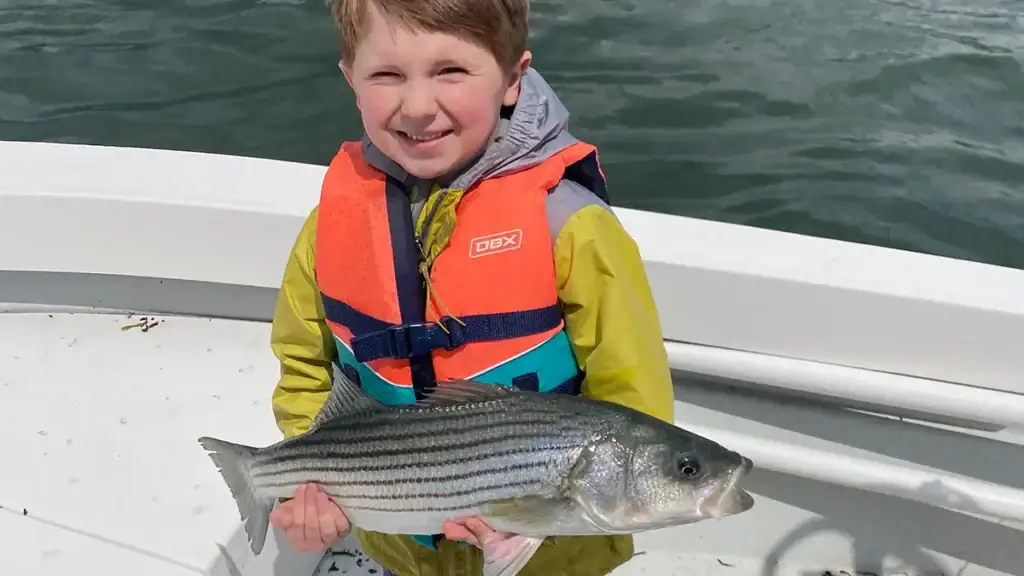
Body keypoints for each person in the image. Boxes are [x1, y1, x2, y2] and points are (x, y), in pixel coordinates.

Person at [266, 0, 675, 573]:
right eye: (386, 75)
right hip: (401, 539)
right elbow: (304, 365)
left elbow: (635, 406)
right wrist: (313, 480)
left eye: (450, 71)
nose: (416, 106)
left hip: (555, 550)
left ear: (512, 78)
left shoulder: (572, 228)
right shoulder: (326, 229)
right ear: (350, 80)